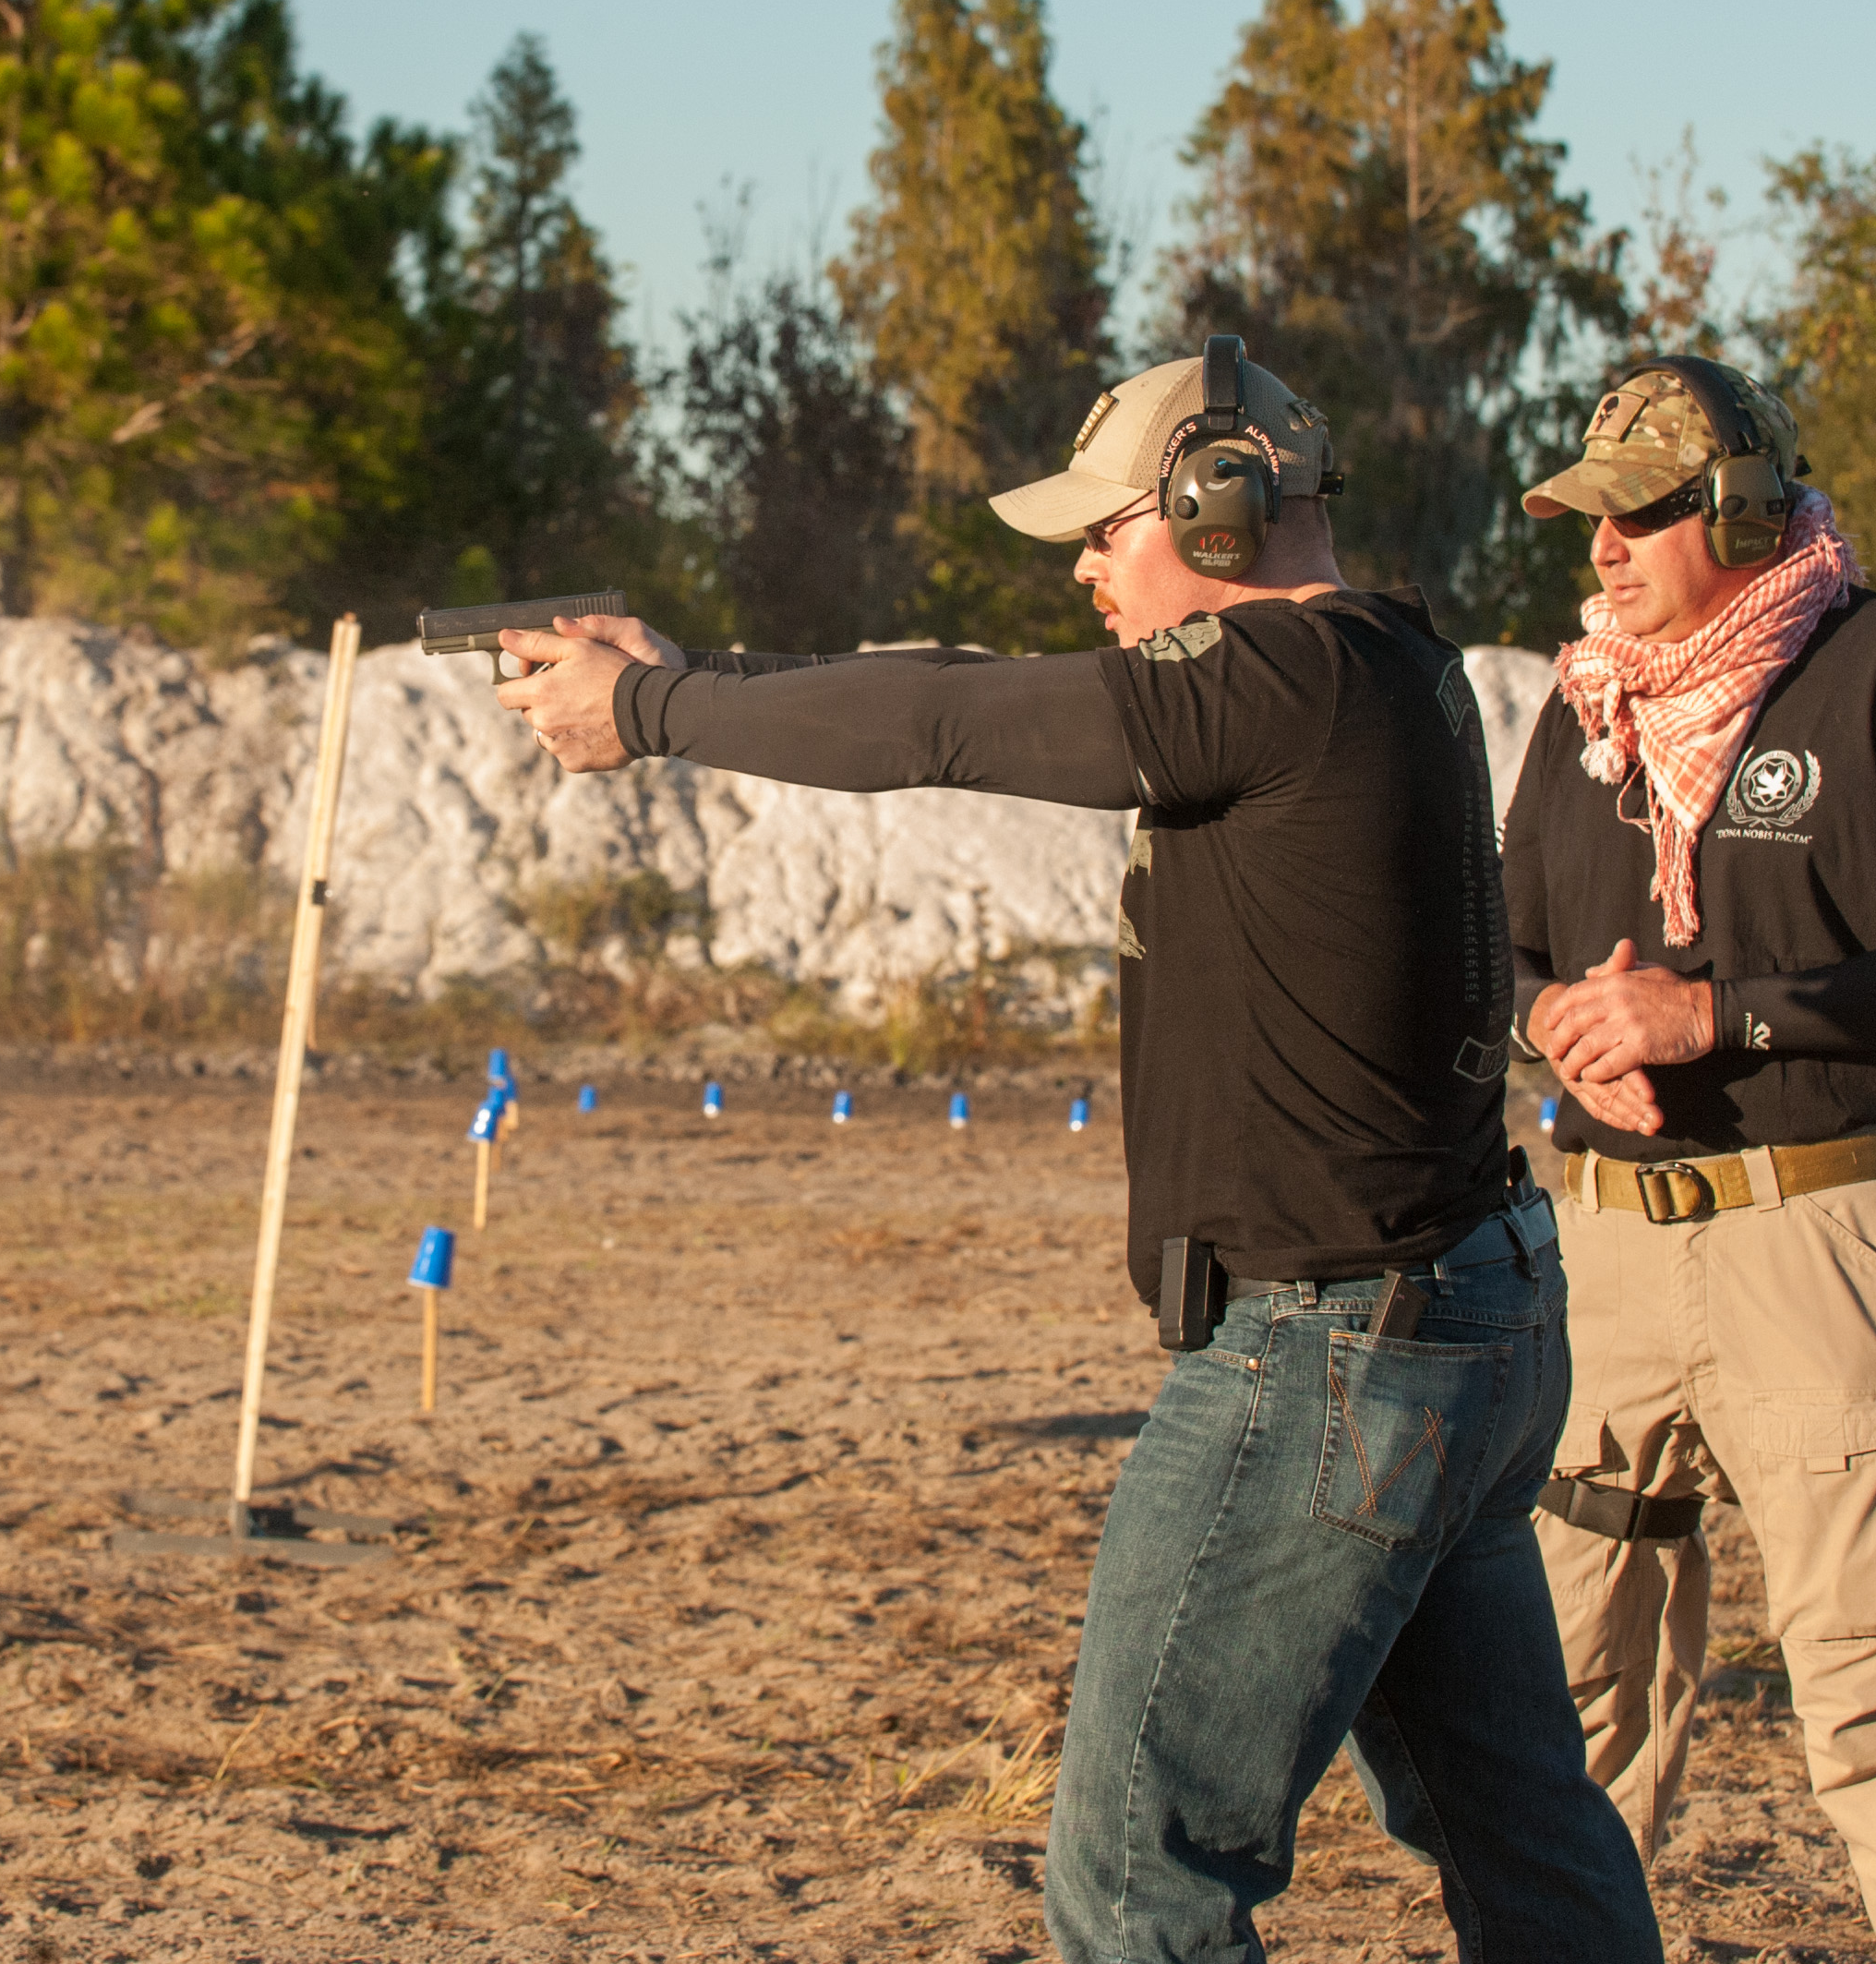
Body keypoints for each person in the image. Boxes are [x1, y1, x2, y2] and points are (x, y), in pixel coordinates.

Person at [490, 339, 1658, 1964]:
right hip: (1452, 1320)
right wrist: (697, 672)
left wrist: (653, 711)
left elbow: (948, 722)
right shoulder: (1377, 660)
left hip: (1329, 1351)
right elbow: (967, 682)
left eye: (1107, 531)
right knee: (1524, 1842)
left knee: (1137, 1883)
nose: (1089, 570)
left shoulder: (1282, 681)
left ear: (1218, 503)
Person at [1500, 358, 1876, 1964]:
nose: (1603, 550)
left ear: (1742, 511)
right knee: (1568, 1700)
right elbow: (1498, 951)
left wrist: (1715, 1019)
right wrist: (1556, 1027)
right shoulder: (1585, 705)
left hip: (1814, 1237)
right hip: (1604, 1253)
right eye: (1589, 521)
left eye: (1639, 515)